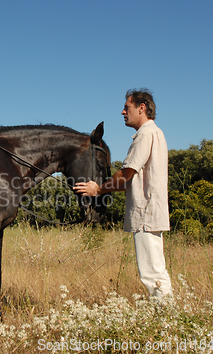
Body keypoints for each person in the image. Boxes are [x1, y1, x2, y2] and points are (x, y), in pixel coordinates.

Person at [74, 88, 173, 298]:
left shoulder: (146, 134)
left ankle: (166, 319)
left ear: (142, 108)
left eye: (127, 107)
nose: (122, 112)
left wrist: (98, 189)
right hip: (151, 211)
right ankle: (166, 317)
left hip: (146, 213)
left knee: (151, 273)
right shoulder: (155, 133)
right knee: (155, 270)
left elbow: (126, 174)